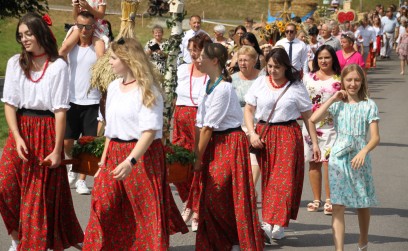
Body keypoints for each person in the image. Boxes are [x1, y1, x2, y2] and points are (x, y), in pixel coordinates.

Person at [82, 37, 187, 250]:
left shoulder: (147, 89)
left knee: (145, 213)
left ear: (127, 59)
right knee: (102, 205)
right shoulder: (112, 87)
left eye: (113, 58)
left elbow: (149, 132)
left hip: (142, 155)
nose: (109, 62)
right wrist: (103, 163)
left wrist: (131, 161)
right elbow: (110, 130)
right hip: (114, 153)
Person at [0, 12, 83, 250]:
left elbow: (59, 112)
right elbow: (9, 105)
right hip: (21, 127)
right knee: (4, 186)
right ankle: (17, 236)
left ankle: (31, 243)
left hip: (46, 130)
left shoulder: (57, 66)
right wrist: (16, 137)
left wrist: (58, 151)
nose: (24, 39)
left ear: (40, 33)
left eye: (28, 33)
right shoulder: (15, 62)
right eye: (20, 35)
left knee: (36, 197)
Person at [244, 47, 320, 241]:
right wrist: (251, 133)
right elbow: (249, 110)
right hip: (263, 134)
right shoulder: (261, 82)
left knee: (283, 181)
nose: (272, 70)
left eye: (277, 67)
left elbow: (308, 116)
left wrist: (315, 144)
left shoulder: (296, 87)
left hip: (287, 134)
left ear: (286, 67)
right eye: (269, 66)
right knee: (269, 180)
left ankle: (270, 222)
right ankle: (275, 222)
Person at [194, 43, 263, 250]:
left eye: (203, 56)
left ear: (215, 61)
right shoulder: (207, 84)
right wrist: (196, 151)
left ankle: (235, 238)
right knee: (212, 193)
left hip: (229, 142)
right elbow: (200, 123)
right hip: (215, 142)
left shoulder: (223, 87)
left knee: (220, 191)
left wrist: (197, 158)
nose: (198, 59)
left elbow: (208, 126)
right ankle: (220, 238)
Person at [310, 64, 380, 251]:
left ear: (362, 81)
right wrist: (333, 98)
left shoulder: (368, 105)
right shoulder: (337, 105)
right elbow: (313, 118)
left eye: (357, 80)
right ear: (342, 81)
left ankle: (362, 242)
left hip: (359, 158)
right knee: (338, 205)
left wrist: (364, 151)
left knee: (362, 203)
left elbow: (375, 137)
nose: (353, 84)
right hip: (338, 158)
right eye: (349, 80)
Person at [173, 33, 212, 232]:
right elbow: (172, 94)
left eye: (196, 49)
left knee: (198, 165)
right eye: (190, 50)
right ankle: (188, 200)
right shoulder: (181, 70)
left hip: (199, 120)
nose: (193, 54)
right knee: (179, 164)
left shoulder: (210, 73)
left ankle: (197, 209)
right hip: (180, 118)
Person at [64, 11, 101, 195]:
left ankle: (81, 180)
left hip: (92, 100)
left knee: (88, 142)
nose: (84, 30)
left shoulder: (98, 42)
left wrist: (97, 40)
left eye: (88, 26)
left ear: (93, 26)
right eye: (80, 26)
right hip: (72, 99)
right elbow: (60, 53)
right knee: (67, 142)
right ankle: (74, 165)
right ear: (75, 25)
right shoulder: (71, 42)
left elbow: (103, 61)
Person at [302, 45, 342, 216]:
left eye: (327, 57)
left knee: (329, 163)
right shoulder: (308, 78)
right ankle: (316, 198)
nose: (323, 61)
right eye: (320, 58)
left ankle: (329, 199)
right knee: (314, 161)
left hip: (332, 126)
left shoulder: (340, 79)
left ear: (333, 58)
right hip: (311, 126)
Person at [231, 45, 265, 190]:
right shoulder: (231, 79)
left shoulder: (263, 78)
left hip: (256, 124)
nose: (243, 63)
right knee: (238, 160)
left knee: (253, 157)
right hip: (236, 125)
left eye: (246, 60)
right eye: (240, 60)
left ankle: (250, 188)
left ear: (254, 61)